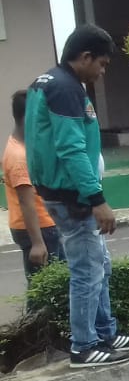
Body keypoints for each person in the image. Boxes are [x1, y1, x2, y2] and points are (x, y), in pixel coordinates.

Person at [26, 24, 129, 368]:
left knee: (99, 263)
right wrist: (97, 199)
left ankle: (105, 332)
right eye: (102, 64)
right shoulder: (64, 89)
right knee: (87, 269)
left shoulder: (48, 81)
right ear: (86, 57)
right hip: (72, 196)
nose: (102, 71)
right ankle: (84, 346)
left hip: (62, 190)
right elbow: (70, 148)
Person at [5, 91, 63, 284]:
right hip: (40, 229)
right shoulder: (19, 157)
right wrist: (37, 243)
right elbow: (26, 201)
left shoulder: (19, 147)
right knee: (47, 286)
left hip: (40, 226)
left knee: (49, 284)